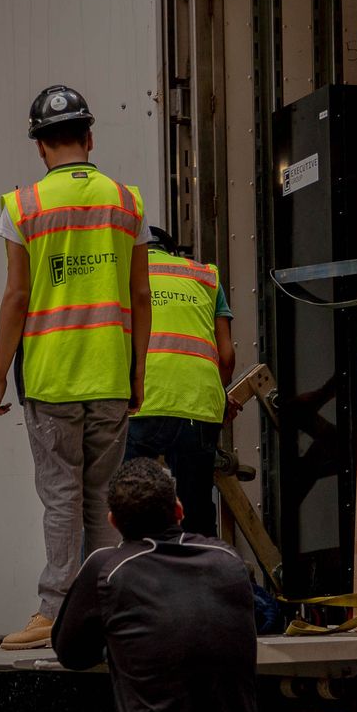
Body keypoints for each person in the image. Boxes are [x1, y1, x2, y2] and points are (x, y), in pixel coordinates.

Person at [0, 84, 150, 650]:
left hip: (52, 377)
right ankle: (105, 606)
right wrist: (137, 373)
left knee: (61, 497)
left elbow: (15, 297)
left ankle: (54, 612)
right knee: (101, 499)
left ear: (39, 148)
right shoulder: (127, 202)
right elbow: (141, 295)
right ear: (90, 137)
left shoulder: (22, 205)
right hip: (108, 373)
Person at [50, 458, 271, 712]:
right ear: (179, 510)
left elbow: (72, 655)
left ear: (113, 522)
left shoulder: (107, 567)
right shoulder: (228, 560)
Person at [124, 227, 235, 539]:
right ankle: (200, 575)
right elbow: (226, 355)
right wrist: (219, 394)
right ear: (173, 252)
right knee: (196, 511)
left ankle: (137, 577)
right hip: (197, 405)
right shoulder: (205, 277)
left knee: (133, 508)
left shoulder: (121, 277)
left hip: (139, 404)